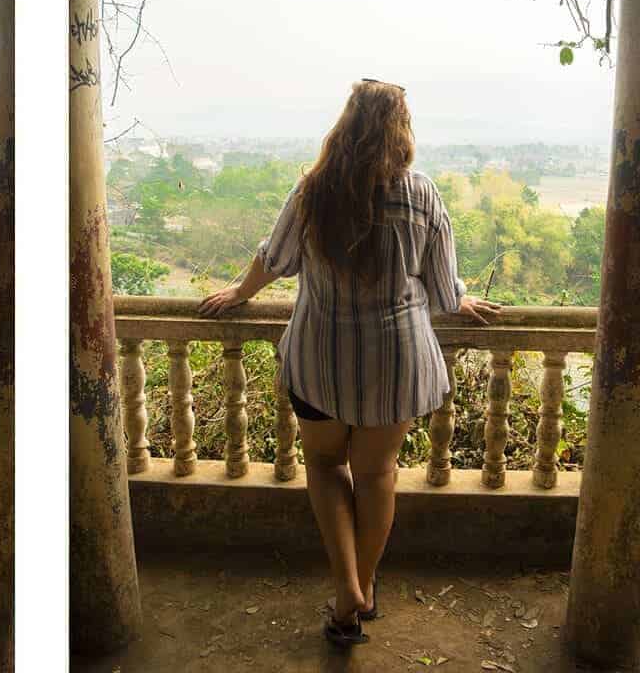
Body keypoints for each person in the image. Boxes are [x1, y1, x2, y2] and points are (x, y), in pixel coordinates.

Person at [198, 79, 500, 647]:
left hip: (320, 357)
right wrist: (460, 298)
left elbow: (276, 258)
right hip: (396, 360)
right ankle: (363, 588)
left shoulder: (313, 190)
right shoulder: (422, 194)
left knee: (325, 467)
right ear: (401, 130)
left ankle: (346, 590)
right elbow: (440, 289)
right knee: (377, 474)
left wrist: (240, 293)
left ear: (345, 126)